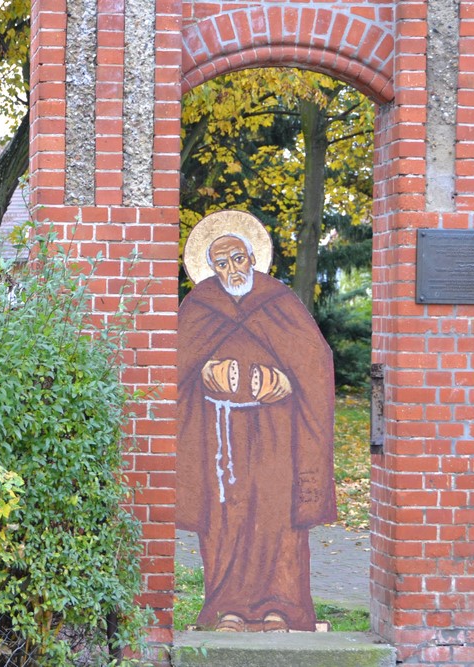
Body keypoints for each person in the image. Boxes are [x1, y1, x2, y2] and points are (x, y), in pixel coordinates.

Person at [176, 212, 336, 632]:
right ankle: (227, 609)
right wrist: (204, 372)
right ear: (210, 268)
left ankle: (279, 609)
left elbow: (315, 362)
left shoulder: (278, 300)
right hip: (219, 432)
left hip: (278, 431)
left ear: (252, 257)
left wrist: (286, 380)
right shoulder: (199, 306)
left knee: (276, 514)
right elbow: (174, 366)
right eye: (221, 263)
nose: (232, 270)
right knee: (225, 516)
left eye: (237, 258)